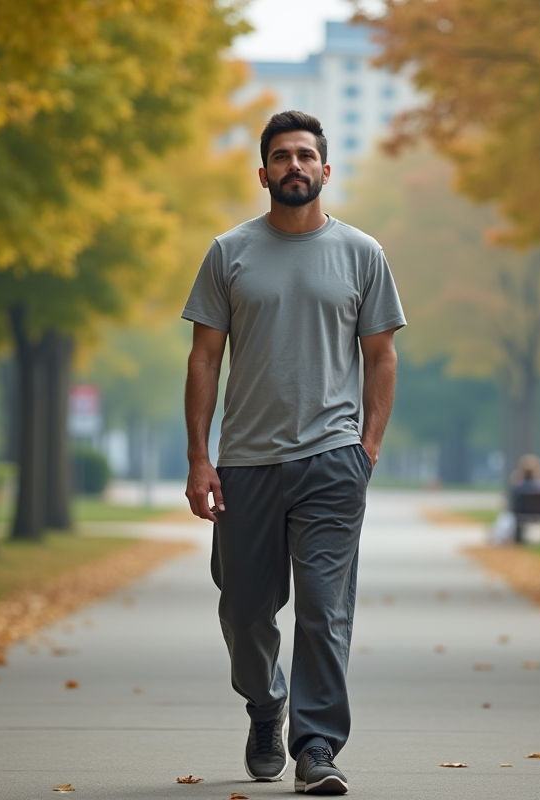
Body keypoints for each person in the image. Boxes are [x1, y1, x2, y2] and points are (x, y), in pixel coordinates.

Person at [182, 110, 405, 795]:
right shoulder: (229, 252)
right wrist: (199, 457)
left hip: (332, 461)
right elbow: (204, 359)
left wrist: (366, 447)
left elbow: (382, 355)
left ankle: (316, 748)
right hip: (246, 462)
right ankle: (264, 703)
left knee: (323, 609)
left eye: (306, 155)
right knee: (243, 609)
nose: (295, 166)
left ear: (326, 170)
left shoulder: (362, 253)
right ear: (264, 172)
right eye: (281, 156)